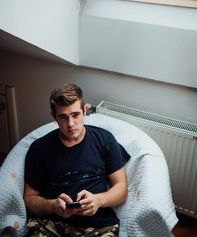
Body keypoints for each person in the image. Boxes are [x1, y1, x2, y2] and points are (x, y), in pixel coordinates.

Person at [24, 83, 131, 237]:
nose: (71, 124)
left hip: (98, 225)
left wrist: (98, 200)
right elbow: (29, 200)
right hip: (50, 225)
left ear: (84, 111)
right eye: (63, 117)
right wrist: (53, 205)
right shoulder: (40, 148)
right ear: (54, 117)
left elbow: (121, 189)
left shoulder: (104, 140)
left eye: (75, 115)